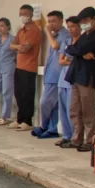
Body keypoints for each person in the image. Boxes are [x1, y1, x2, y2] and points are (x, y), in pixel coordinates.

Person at [61, 6, 95, 152]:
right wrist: (81, 53)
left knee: (88, 111)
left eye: (86, 20)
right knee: (74, 110)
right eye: (81, 21)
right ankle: (76, 139)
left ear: (94, 19)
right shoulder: (85, 35)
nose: (83, 24)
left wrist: (78, 51)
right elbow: (71, 49)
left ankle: (91, 140)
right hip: (76, 76)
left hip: (88, 76)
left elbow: (77, 49)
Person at [33, 11, 70, 139]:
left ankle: (44, 126)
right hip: (50, 73)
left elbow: (55, 46)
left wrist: (47, 32)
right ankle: (52, 129)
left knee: (44, 102)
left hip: (57, 75)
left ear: (61, 21)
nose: (50, 24)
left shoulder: (65, 35)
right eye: (48, 21)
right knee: (54, 105)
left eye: (53, 21)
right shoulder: (55, 35)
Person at [10, 4, 42, 131]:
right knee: (18, 94)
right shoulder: (21, 30)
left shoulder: (34, 30)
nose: (21, 16)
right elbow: (12, 45)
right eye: (20, 13)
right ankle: (20, 118)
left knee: (27, 94)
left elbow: (25, 49)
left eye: (24, 14)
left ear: (31, 14)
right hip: (18, 65)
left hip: (29, 67)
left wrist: (18, 47)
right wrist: (18, 46)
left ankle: (27, 121)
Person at [54, 16, 80, 147]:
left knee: (72, 110)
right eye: (68, 27)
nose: (70, 29)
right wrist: (72, 61)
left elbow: (75, 61)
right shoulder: (66, 41)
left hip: (74, 79)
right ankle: (66, 135)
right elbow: (61, 60)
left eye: (73, 26)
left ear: (79, 26)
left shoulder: (82, 42)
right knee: (63, 109)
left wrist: (69, 61)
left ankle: (75, 136)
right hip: (63, 78)